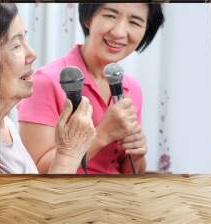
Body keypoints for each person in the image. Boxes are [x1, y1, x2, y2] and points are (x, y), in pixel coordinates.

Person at [19, 3, 165, 174]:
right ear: (89, 19)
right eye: (110, 16)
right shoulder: (46, 80)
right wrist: (102, 135)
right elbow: (34, 171)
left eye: (135, 22)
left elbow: (130, 171)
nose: (119, 32)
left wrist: (137, 155)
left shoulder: (132, 87)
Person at [0, 3, 95, 174]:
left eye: (24, 39)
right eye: (16, 45)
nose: (32, 54)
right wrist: (69, 153)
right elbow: (40, 201)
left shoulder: (6, 125)